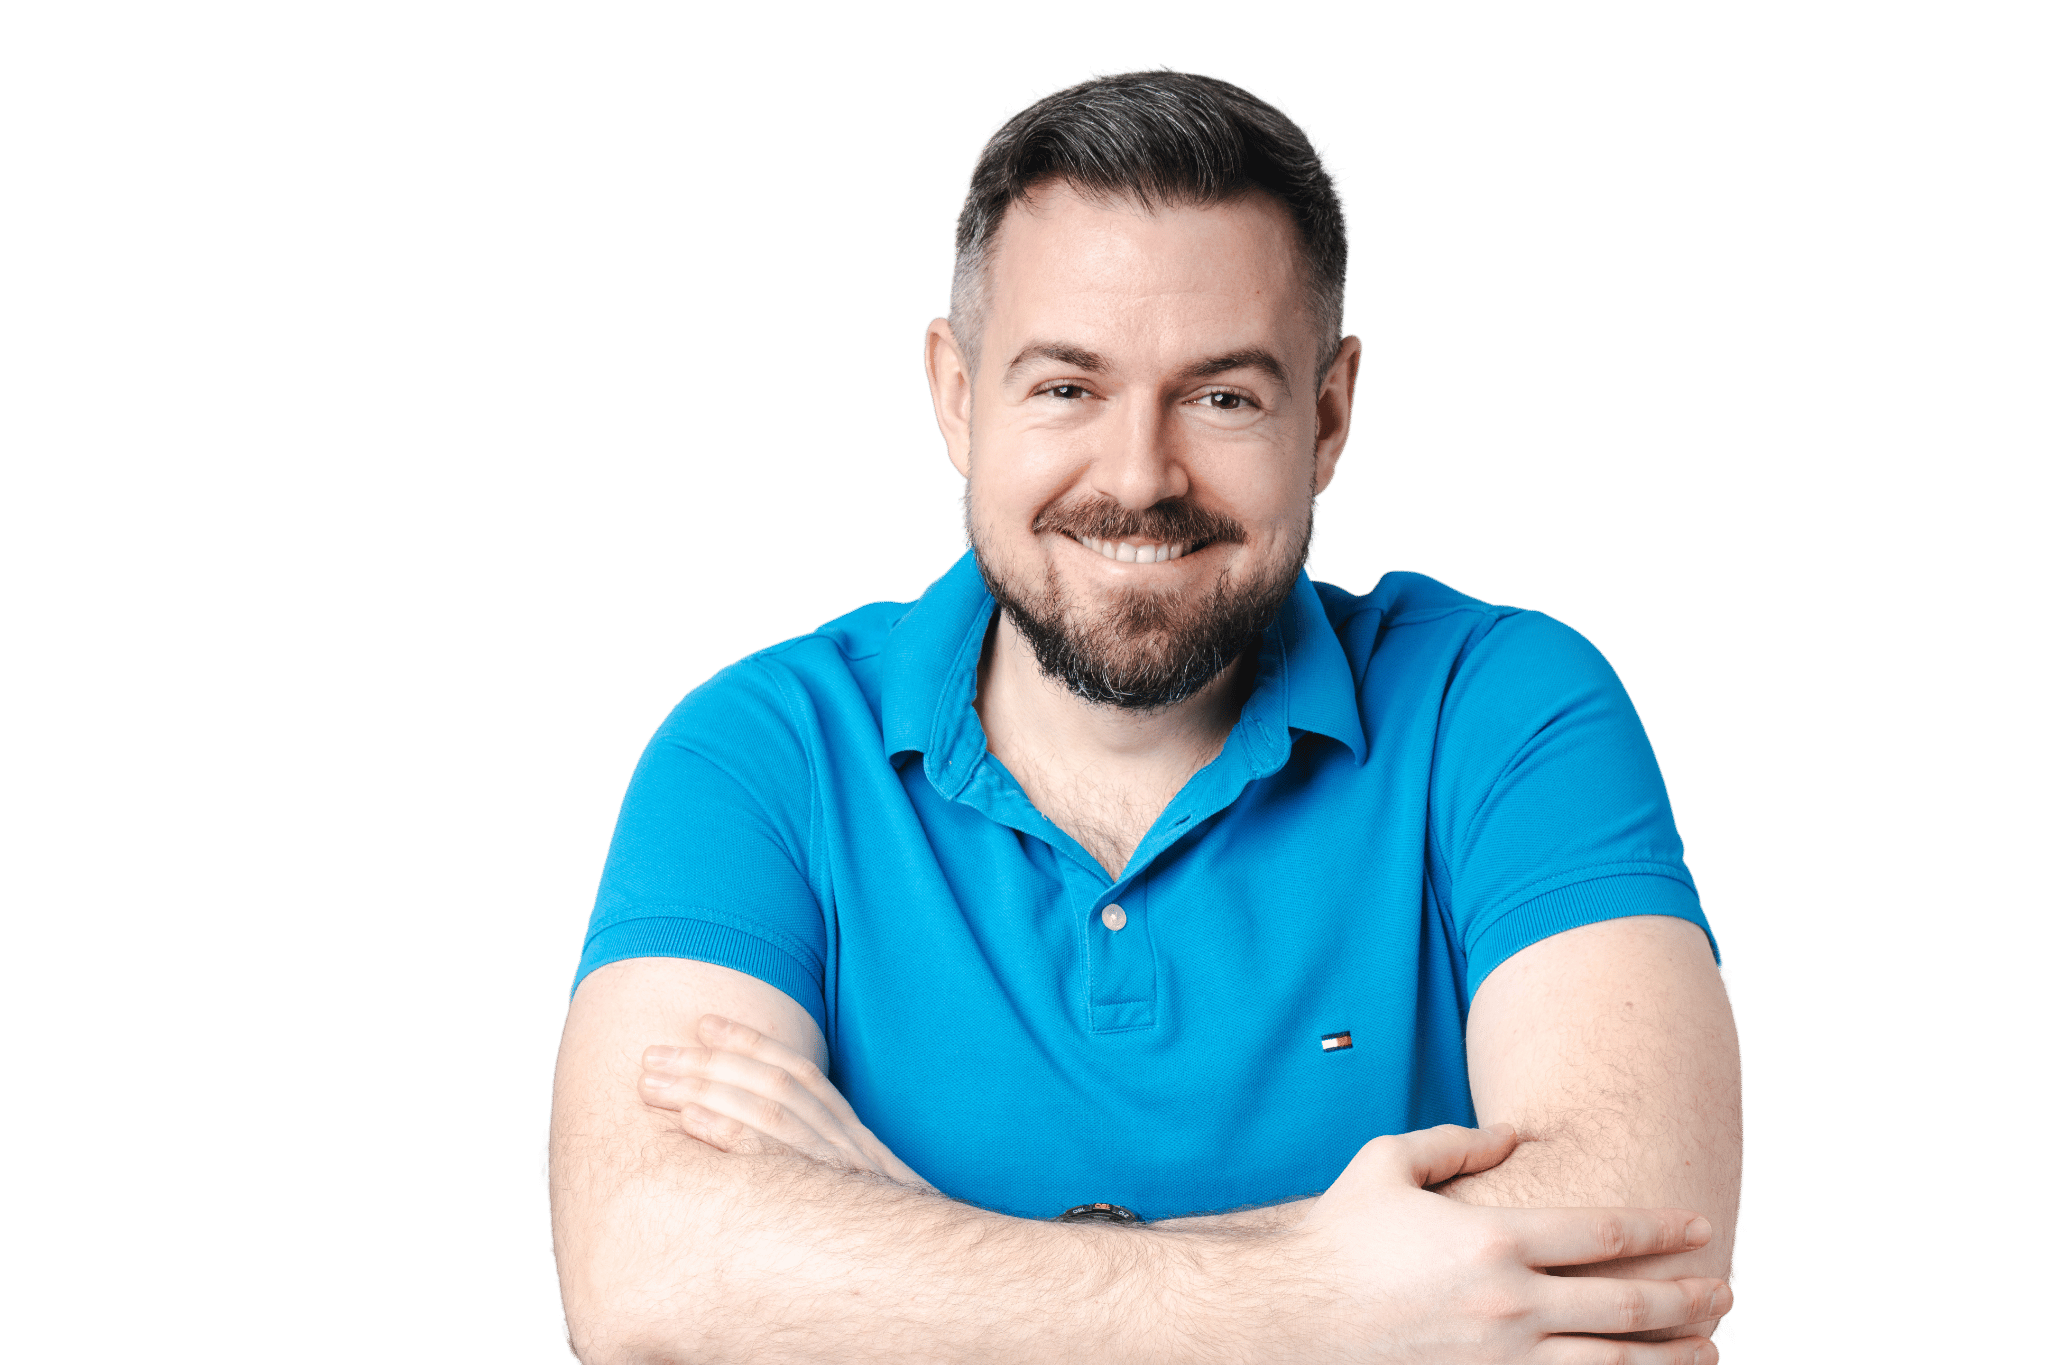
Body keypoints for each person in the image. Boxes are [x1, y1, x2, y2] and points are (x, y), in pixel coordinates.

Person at [543, 67, 1742, 1364]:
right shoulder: (762, 750)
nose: (1138, 477)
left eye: (1222, 396)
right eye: (1068, 387)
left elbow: (1638, 1245)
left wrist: (895, 1243)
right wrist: (1325, 1299)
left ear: (1328, 415)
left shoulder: (1503, 711)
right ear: (957, 395)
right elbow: (649, 1278)